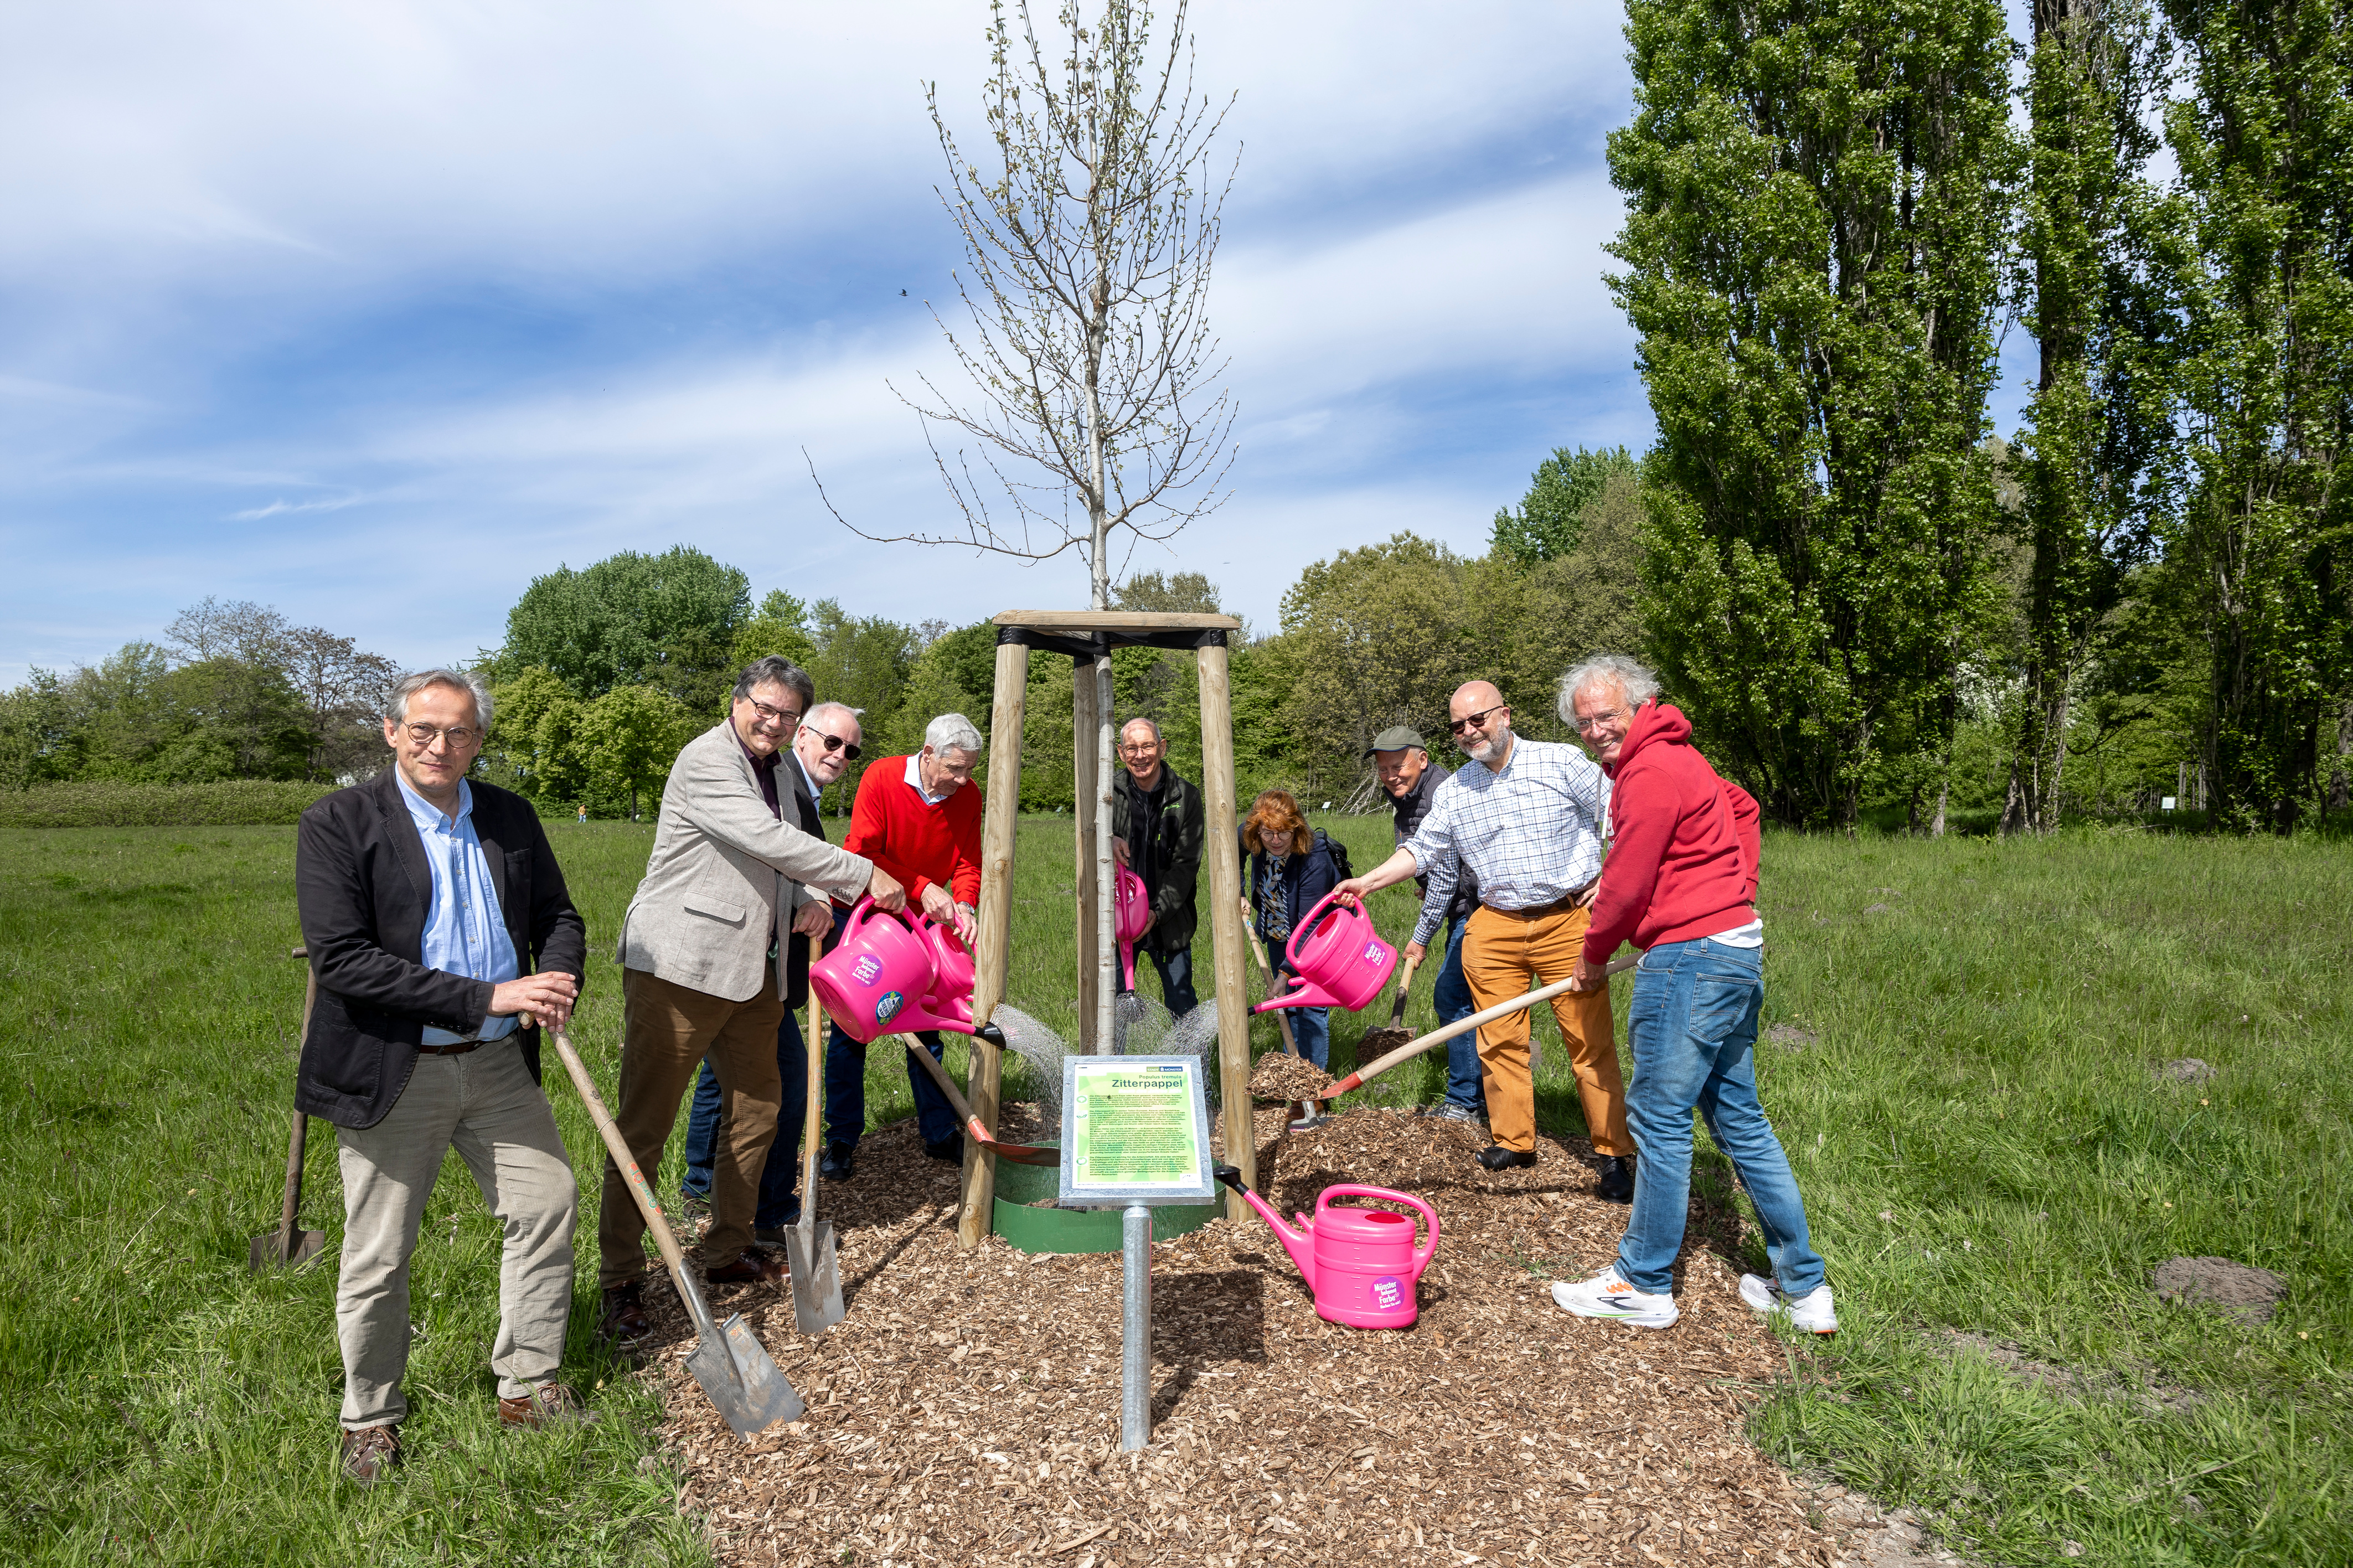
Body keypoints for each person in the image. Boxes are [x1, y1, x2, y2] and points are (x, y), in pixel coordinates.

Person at [295, 669, 589, 1485]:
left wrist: (555, 978)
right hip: (395, 1068)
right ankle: (371, 1419)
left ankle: (528, 1386)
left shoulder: (508, 816)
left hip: (497, 1063)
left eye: (459, 732)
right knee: (380, 1250)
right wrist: (487, 994)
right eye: (423, 730)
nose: (440, 746)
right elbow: (344, 960)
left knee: (547, 1204)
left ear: (478, 741)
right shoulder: (339, 822)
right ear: (390, 731)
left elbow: (558, 918)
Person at [598, 658, 900, 1348]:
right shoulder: (707, 760)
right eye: (764, 708)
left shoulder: (782, 775)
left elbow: (796, 857)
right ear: (736, 701)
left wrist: (815, 899)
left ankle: (726, 1247)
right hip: (680, 964)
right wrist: (861, 877)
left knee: (760, 1110)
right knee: (644, 1126)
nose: (773, 722)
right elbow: (763, 839)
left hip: (757, 973)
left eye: (787, 715)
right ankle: (620, 1278)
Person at [1546, 655, 1835, 1332]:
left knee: (1658, 1118)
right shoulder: (1682, 756)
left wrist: (1592, 956)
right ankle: (1803, 1288)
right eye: (1582, 722)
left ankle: (1642, 1283)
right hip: (1733, 949)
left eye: (1606, 716)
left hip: (1689, 961)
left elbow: (1624, 882)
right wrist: (1737, 896)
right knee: (1738, 1119)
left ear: (1640, 706)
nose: (1594, 731)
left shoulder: (1648, 770)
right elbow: (1745, 809)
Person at [1332, 680, 1634, 1194]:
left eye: (1479, 720)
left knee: (1588, 1041)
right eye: (1458, 726)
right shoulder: (1455, 791)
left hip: (1566, 918)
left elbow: (1623, 810)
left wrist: (1613, 876)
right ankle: (1514, 1140)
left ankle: (1614, 1153)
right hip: (1494, 923)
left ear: (1505, 715)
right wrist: (1366, 882)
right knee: (1498, 1036)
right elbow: (1422, 851)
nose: (1470, 732)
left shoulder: (1559, 762)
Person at [680, 700, 864, 1242]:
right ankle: (761, 1204)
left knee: (732, 1073)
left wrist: (817, 901)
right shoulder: (774, 779)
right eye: (832, 743)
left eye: (851, 750)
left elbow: (799, 866)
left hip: (766, 964)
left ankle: (714, 1188)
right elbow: (768, 851)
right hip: (734, 955)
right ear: (802, 737)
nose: (840, 755)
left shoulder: (800, 792)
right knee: (777, 1080)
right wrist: (826, 891)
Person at [820, 713, 985, 1179]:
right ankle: (841, 1139)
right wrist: (923, 886)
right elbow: (861, 851)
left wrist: (966, 905)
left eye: (971, 769)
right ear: (928, 754)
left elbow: (970, 859)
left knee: (928, 1027)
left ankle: (937, 1133)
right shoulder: (883, 776)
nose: (963, 779)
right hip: (864, 912)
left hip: (919, 924)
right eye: (955, 768)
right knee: (852, 1031)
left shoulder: (967, 795)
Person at [1366, 725, 1482, 1123]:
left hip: (1479, 910)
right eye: (1383, 770)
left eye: (1398, 766)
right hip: (1464, 906)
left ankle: (1466, 1101)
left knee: (1452, 998)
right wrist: (1425, 885)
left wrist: (1419, 938)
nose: (1391, 775)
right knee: (1470, 1000)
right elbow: (1438, 867)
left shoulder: (1437, 796)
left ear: (1423, 759)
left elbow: (1448, 876)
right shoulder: (1409, 797)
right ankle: (1482, 1095)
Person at [1109, 716, 1206, 1014]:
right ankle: (1111, 1061)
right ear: (1120, 753)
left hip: (1169, 918)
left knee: (1181, 1003)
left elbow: (1186, 864)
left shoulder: (1186, 795)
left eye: (1148, 746)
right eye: (1132, 748)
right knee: (1112, 1005)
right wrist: (1107, 839)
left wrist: (1157, 911)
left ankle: (1192, 1059)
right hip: (1116, 916)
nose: (1140, 756)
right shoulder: (1107, 793)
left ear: (1162, 748)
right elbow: (1086, 836)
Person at [1241, 790, 1340, 1069]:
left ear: (1295, 830)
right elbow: (1233, 847)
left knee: (1311, 1009)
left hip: (1316, 941)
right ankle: (1293, 1080)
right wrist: (1240, 891)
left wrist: (1286, 973)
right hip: (1277, 935)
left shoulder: (1314, 859)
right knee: (1288, 1008)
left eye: (1283, 833)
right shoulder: (1256, 838)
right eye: (1267, 833)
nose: (1275, 841)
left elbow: (1311, 923)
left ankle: (1314, 1090)